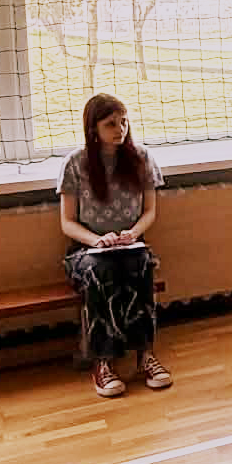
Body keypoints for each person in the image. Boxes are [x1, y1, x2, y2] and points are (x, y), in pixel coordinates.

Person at [57, 92, 172, 400]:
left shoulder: (141, 158)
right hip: (86, 251)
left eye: (123, 122)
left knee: (141, 263)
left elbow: (150, 212)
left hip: (129, 246)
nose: (120, 129)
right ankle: (103, 361)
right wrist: (97, 240)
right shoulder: (75, 164)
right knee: (101, 270)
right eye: (110, 124)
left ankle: (145, 354)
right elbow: (67, 222)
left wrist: (132, 234)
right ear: (93, 128)